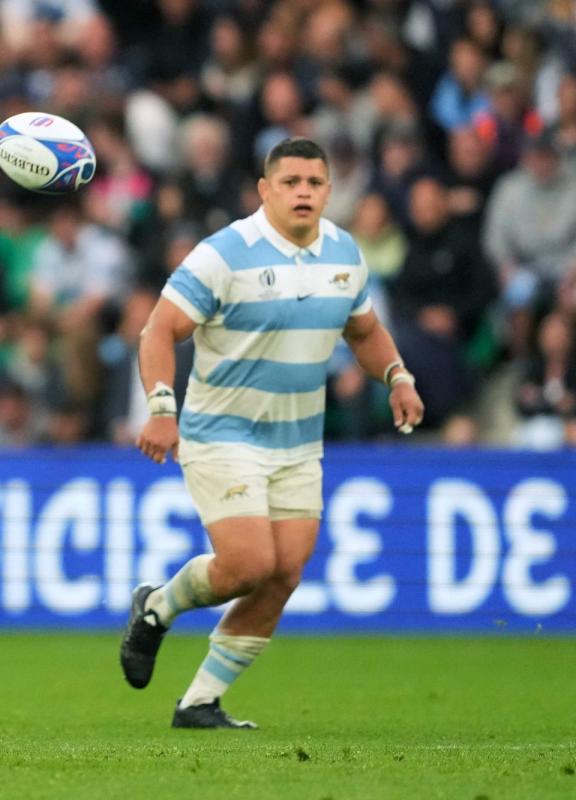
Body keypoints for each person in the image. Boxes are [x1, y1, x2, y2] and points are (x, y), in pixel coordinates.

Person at [118, 138, 424, 729]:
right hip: (221, 433)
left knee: (284, 573)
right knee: (250, 562)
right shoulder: (225, 254)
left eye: (314, 182)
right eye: (290, 182)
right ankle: (157, 608)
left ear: (330, 191)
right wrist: (161, 407)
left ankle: (200, 702)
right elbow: (158, 330)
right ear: (265, 190)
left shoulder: (344, 255)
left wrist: (398, 377)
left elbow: (363, 332)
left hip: (298, 442)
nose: (303, 191)